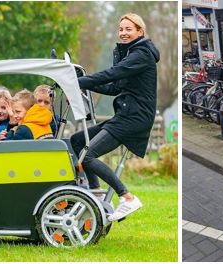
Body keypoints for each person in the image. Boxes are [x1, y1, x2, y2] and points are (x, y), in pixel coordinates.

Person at [71, 13, 160, 221]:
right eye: (121, 29)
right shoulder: (130, 54)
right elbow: (113, 87)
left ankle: (127, 197)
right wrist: (82, 81)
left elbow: (112, 73)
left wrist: (78, 82)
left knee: (88, 155)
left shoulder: (141, 54)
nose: (123, 33)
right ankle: (97, 193)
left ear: (140, 31)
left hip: (134, 117)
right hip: (126, 114)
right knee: (77, 140)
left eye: (129, 29)